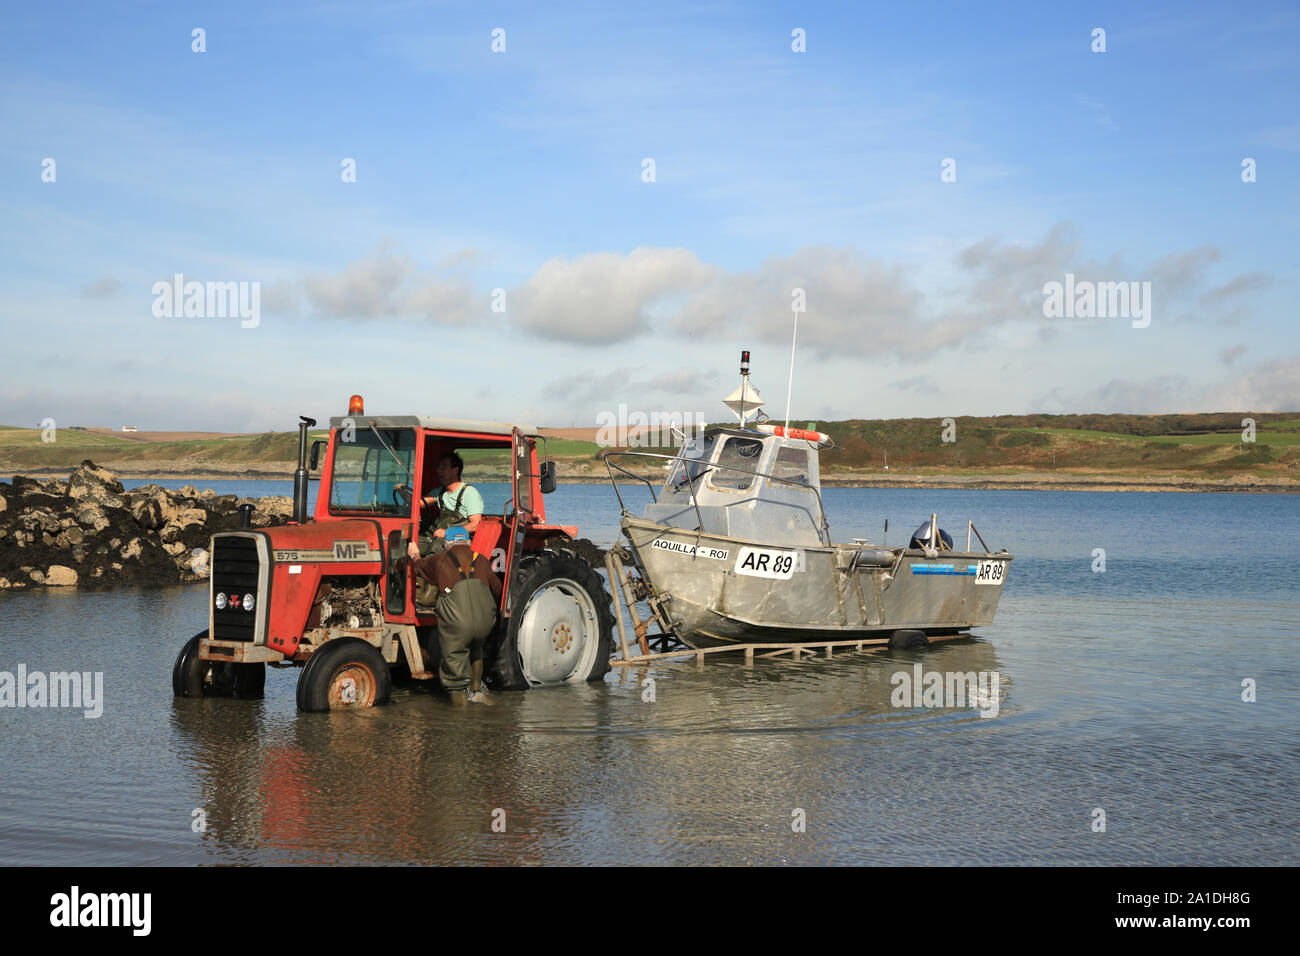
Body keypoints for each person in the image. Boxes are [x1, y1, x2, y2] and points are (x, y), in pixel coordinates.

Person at [412, 525, 502, 706]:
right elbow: (497, 588)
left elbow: (419, 568)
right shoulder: (482, 560)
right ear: (468, 542)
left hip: (458, 623)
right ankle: (476, 691)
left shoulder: (440, 560)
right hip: (485, 621)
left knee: (454, 661)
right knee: (477, 648)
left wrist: (414, 554)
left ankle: (460, 713)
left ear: (447, 543)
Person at [406, 452, 485, 560]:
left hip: (459, 540)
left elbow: (476, 525)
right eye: (438, 467)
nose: (439, 470)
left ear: (455, 470)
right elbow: (419, 503)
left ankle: (425, 571)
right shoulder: (441, 492)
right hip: (439, 535)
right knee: (411, 543)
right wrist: (403, 491)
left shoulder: (469, 493)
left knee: (435, 550)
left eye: (443, 467)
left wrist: (448, 532)